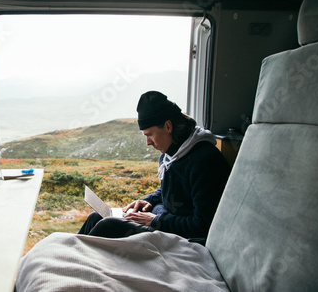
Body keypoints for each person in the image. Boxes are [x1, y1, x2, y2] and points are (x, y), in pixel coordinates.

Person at [78, 91, 231, 239]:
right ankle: (67, 257)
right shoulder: (169, 155)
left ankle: (78, 262)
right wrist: (149, 201)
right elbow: (170, 191)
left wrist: (155, 220)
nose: (148, 142)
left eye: (150, 134)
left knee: (108, 225)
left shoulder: (205, 161)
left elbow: (203, 225)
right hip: (162, 220)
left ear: (168, 126)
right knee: (95, 217)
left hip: (179, 235)